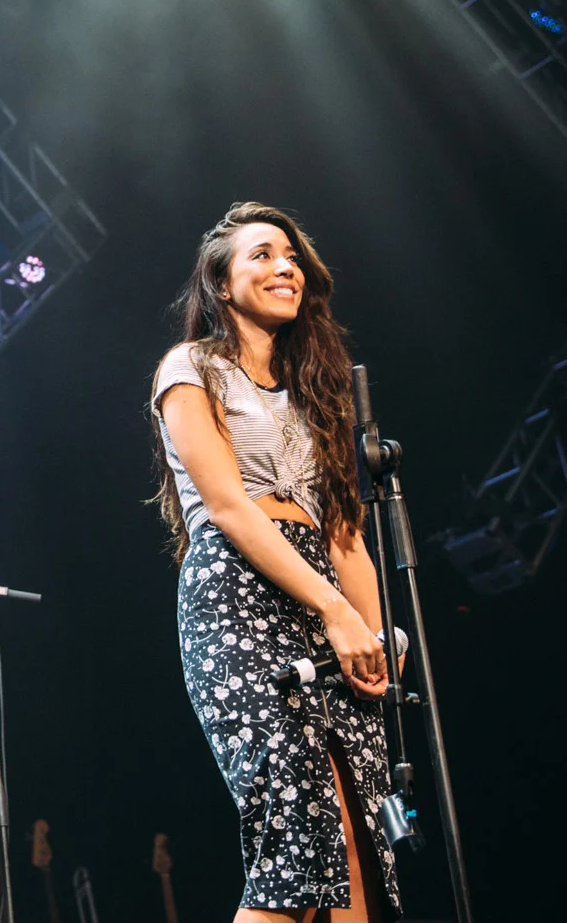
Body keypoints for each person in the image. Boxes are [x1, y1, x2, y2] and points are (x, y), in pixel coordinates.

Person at [150, 202, 402, 921]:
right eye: (261, 254)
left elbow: (346, 533)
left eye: (290, 255)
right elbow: (230, 508)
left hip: (326, 597)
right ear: (221, 286)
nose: (283, 265)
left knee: (357, 840)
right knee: (295, 842)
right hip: (237, 596)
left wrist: (372, 635)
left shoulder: (320, 390)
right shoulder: (188, 369)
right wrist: (336, 611)